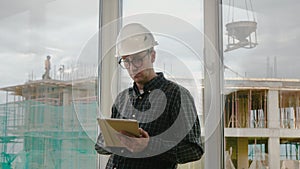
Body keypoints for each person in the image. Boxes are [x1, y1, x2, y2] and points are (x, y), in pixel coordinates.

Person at [95, 23, 204, 169]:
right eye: (126, 61)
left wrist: (149, 145)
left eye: (138, 59)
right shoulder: (122, 99)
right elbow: (99, 146)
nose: (133, 67)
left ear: (152, 55)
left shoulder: (176, 95)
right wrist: (111, 140)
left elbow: (194, 150)